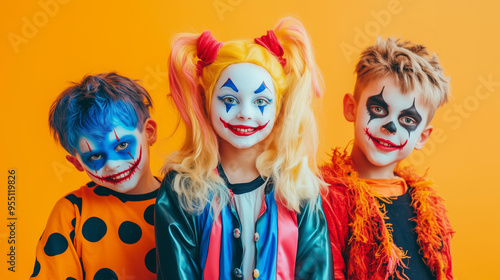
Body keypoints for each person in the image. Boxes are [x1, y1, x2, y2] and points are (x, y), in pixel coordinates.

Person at [155, 17, 333, 280]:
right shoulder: (182, 188)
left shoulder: (297, 185)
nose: (245, 114)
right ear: (206, 102)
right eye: (229, 99)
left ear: (278, 108)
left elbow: (316, 271)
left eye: (261, 101)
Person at [321, 38, 454, 280]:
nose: (390, 127)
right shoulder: (324, 198)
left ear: (422, 136)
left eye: (408, 120)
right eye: (379, 109)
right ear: (351, 107)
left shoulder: (431, 211)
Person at [31, 72, 160, 280]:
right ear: (76, 162)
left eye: (122, 145)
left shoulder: (185, 204)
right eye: (95, 155)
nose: (112, 164)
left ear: (149, 132)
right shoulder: (72, 213)